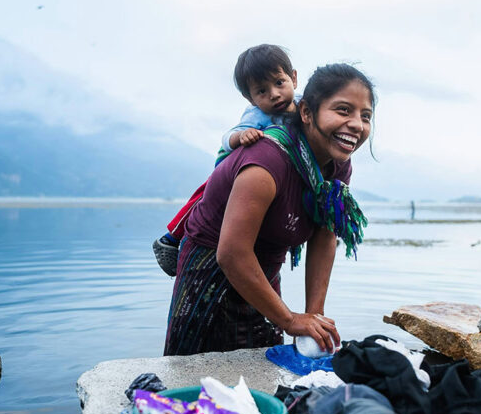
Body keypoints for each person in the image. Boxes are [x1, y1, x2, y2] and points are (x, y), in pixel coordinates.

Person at [164, 63, 374, 356]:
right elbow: (232, 253)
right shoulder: (266, 161)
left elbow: (325, 235)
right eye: (342, 110)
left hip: (262, 270)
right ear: (306, 113)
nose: (357, 125)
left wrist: (314, 317)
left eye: (366, 116)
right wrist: (288, 320)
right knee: (195, 372)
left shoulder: (337, 164)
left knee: (264, 368)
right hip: (211, 272)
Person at [153, 44, 300, 274]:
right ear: (250, 98)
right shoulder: (257, 114)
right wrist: (242, 136)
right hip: (233, 168)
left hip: (270, 177)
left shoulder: (304, 108)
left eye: (279, 82)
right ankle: (171, 238)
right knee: (204, 198)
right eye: (261, 91)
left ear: (294, 78)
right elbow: (227, 137)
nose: (274, 94)